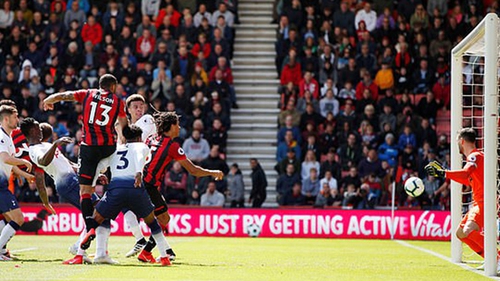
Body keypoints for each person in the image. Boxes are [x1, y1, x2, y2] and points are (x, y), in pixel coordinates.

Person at [42, 74, 128, 244]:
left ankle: (90, 226)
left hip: (88, 149)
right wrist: (123, 143)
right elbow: (123, 127)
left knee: (85, 191)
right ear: (113, 87)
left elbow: (66, 95)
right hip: (109, 149)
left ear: (100, 85)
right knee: (115, 183)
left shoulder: (88, 93)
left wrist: (49, 99)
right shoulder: (118, 101)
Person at [20, 118, 114, 264]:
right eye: (37, 127)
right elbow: (43, 161)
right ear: (31, 131)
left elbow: (69, 164)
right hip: (67, 184)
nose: (40, 130)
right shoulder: (34, 150)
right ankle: (85, 249)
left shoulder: (45, 144)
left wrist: (93, 174)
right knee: (99, 212)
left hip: (73, 180)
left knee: (99, 213)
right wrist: (56, 144)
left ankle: (91, 251)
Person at [135, 111, 223, 263]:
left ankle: (151, 252)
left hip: (140, 182)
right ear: (170, 127)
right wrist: (212, 172)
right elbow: (193, 170)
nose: (180, 128)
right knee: (163, 218)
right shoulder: (172, 146)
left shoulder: (151, 138)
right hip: (148, 185)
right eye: (177, 124)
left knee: (160, 217)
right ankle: (150, 252)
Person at [79, 125, 173, 266]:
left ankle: (84, 246)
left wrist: (96, 179)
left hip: (115, 188)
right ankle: (164, 257)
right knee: (152, 223)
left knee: (96, 219)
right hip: (135, 187)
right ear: (139, 137)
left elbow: (101, 165)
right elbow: (140, 157)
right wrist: (138, 172)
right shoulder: (141, 146)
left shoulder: (116, 149)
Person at [425, 128, 487, 260]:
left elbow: (465, 173)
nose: (457, 144)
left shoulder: (474, 156)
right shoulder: (477, 157)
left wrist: (444, 173)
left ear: (462, 141)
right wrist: (444, 174)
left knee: (467, 231)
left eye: (458, 141)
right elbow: (466, 179)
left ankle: (496, 258)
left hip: (484, 201)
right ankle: (490, 258)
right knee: (460, 234)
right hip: (479, 201)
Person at [0, 106, 34, 261]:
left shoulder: (8, 136)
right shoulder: (1, 136)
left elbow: (8, 164)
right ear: (6, 119)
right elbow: (6, 158)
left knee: (5, 219)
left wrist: (24, 174)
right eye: (15, 117)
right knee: (18, 218)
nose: (17, 120)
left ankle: (1, 251)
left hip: (3, 183)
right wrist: (23, 162)